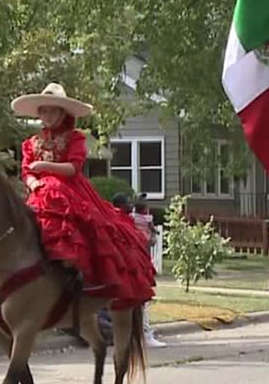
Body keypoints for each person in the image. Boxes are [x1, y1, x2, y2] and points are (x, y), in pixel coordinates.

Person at [14, 82, 156, 310]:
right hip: (38, 191)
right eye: (44, 111)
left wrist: (45, 167)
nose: (47, 115)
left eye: (52, 111)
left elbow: (73, 167)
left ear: (63, 113)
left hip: (68, 189)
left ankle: (77, 275)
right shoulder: (31, 143)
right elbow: (26, 171)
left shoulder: (75, 138)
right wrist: (33, 183)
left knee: (82, 225)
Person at [130, 194, 167, 348]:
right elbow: (151, 238)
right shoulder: (145, 221)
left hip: (134, 261)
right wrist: (152, 235)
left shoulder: (130, 219)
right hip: (138, 261)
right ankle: (144, 333)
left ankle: (137, 332)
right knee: (142, 297)